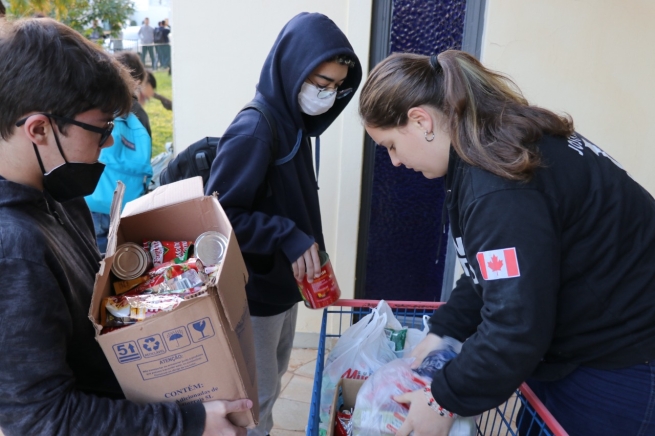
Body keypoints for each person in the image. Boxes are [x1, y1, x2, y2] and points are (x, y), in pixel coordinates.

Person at [358, 50, 655, 436]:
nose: (394, 162)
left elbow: (515, 326)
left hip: (621, 358)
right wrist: (443, 329)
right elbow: (496, 268)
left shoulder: (496, 185)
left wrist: (442, 398)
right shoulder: (493, 143)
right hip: (582, 345)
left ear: (421, 120)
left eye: (391, 145)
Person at [0, 17, 252, 435]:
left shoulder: (60, 195)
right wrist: (187, 423)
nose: (110, 143)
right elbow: (41, 419)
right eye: (100, 130)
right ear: (39, 129)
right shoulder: (14, 252)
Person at [205, 12, 361, 436]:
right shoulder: (257, 127)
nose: (326, 96)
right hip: (252, 296)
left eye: (335, 88)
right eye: (320, 85)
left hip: (279, 289)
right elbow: (219, 217)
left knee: (269, 389)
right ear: (292, 71)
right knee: (252, 405)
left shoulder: (294, 126)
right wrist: (286, 235)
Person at [86, 51, 152, 254]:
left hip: (94, 201)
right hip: (128, 206)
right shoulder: (138, 114)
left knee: (97, 263)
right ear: (137, 80)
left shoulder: (101, 108)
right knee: (125, 261)